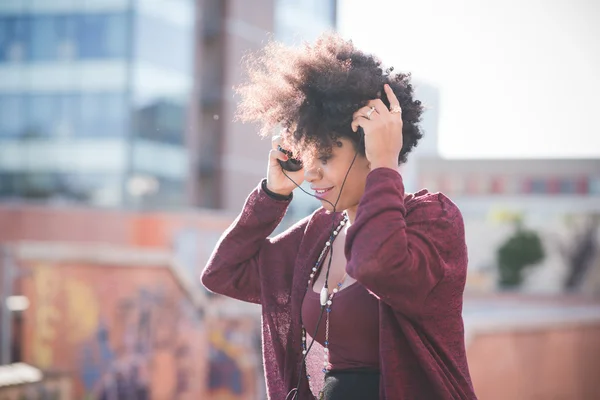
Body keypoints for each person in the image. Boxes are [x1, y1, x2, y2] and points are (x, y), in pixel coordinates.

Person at [202, 33, 477, 400]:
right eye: (308, 157)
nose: (312, 174)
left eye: (327, 157)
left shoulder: (434, 220)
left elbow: (378, 263)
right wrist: (273, 194)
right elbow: (223, 273)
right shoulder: (319, 235)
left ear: (370, 144)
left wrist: (385, 165)